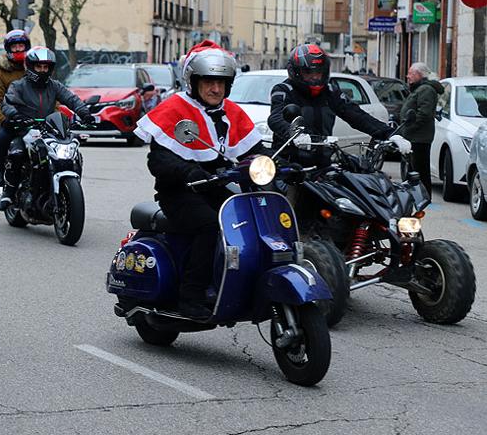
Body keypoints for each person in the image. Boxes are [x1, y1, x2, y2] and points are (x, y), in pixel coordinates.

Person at [134, 41, 266, 318]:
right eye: (208, 81)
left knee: (253, 218)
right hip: (180, 192)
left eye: (221, 82)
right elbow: (157, 159)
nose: (215, 89)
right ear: (193, 82)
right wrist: (187, 171)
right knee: (209, 226)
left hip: (216, 188)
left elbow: (254, 149)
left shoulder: (230, 112)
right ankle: (191, 295)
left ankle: (238, 284)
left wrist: (280, 161)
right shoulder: (175, 109)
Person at [268, 43, 409, 168]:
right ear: (295, 72)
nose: (315, 77)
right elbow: (275, 118)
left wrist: (390, 134)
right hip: (289, 165)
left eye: (319, 72)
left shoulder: (329, 91)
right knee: (287, 197)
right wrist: (295, 134)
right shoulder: (284, 90)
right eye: (309, 72)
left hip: (322, 164)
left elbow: (356, 115)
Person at [0, 46, 94, 211]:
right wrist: (16, 115)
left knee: (71, 153)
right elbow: (8, 103)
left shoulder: (54, 86)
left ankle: (65, 189)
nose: (42, 70)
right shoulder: (18, 86)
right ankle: (9, 193)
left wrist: (85, 114)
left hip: (49, 129)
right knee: (17, 153)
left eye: (45, 67)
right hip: (24, 129)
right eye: (38, 66)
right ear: (31, 66)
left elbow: (71, 99)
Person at [0, 30, 30, 187]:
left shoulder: (37, 67)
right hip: (12, 120)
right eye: (15, 46)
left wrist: (58, 115)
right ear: (8, 49)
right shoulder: (1, 73)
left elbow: (52, 95)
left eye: (21, 45)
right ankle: (0, 170)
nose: (19, 49)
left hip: (37, 118)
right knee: (3, 138)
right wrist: (4, 119)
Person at [400, 62, 443, 193]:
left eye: (411, 73)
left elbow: (424, 114)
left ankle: (423, 196)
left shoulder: (426, 90)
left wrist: (409, 127)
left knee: (420, 170)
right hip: (413, 137)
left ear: (419, 74)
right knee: (413, 169)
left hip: (419, 138)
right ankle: (415, 195)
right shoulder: (420, 88)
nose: (408, 76)